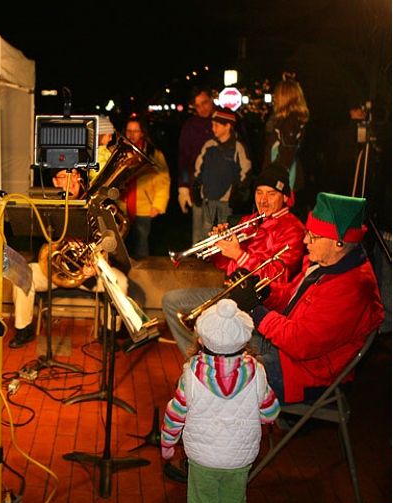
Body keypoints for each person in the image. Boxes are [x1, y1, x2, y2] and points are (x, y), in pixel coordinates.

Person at [160, 298, 279, 503]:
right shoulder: (257, 373)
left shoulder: (190, 375)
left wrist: (168, 445)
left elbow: (175, 415)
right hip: (240, 458)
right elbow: (271, 412)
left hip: (202, 458)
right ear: (244, 340)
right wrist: (257, 415)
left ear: (202, 340)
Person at [247, 193, 384, 404]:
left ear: (339, 242)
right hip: (287, 353)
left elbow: (300, 342)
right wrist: (264, 293)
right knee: (216, 341)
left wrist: (257, 313)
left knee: (224, 378)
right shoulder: (326, 264)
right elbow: (291, 300)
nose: (304, 240)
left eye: (313, 235)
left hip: (305, 373)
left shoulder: (352, 287)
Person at [163, 162, 306, 359]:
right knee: (171, 301)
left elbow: (274, 277)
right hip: (230, 293)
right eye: (259, 192)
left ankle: (218, 366)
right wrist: (219, 248)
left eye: (271, 194)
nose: (263, 200)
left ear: (285, 197)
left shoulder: (293, 229)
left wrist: (240, 255)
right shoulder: (250, 220)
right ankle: (198, 361)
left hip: (261, 304)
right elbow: (226, 266)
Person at [8, 168, 129, 349]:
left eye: (75, 175)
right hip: (54, 270)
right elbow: (41, 244)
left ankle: (109, 332)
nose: (72, 181)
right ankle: (23, 328)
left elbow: (110, 241)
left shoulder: (96, 205)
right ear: (56, 182)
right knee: (22, 276)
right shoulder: (46, 205)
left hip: (90, 273)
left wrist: (98, 265)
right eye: (65, 176)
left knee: (121, 282)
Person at [192, 107, 253, 234]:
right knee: (206, 230)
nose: (213, 128)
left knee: (224, 231)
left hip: (227, 201)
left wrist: (238, 193)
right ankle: (206, 253)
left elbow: (245, 171)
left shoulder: (238, 147)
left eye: (216, 125)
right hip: (208, 199)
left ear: (227, 126)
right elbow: (199, 168)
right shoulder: (209, 145)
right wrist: (197, 187)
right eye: (212, 125)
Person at [121, 115, 170, 259]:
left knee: (141, 244)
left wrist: (158, 204)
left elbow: (163, 180)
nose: (132, 134)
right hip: (121, 206)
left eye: (136, 130)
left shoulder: (154, 154)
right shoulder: (119, 152)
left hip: (144, 207)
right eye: (129, 130)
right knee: (120, 246)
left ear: (142, 132)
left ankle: (141, 277)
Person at [262, 75, 310, 213]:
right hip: (283, 175)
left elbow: (286, 155)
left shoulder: (290, 123)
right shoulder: (288, 121)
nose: (274, 98)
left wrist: (272, 179)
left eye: (277, 95)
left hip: (284, 177)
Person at [178, 87, 216, 245]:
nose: (202, 108)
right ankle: (198, 261)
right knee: (199, 228)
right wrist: (184, 185)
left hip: (221, 185)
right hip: (198, 185)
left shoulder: (223, 120)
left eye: (205, 103)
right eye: (198, 106)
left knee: (215, 227)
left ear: (211, 99)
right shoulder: (190, 126)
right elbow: (184, 159)